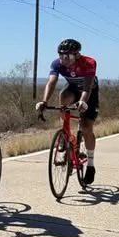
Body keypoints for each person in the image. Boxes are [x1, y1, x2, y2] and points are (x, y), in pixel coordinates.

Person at [36, 38, 98, 184]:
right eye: (61, 56)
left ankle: (90, 164)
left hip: (89, 92)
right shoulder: (57, 64)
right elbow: (52, 82)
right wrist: (44, 101)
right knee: (63, 96)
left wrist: (82, 102)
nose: (64, 60)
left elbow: (87, 87)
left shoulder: (89, 62)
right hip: (72, 89)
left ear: (77, 55)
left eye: (68, 56)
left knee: (86, 127)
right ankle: (65, 134)